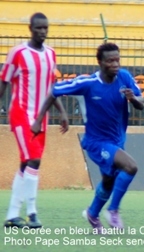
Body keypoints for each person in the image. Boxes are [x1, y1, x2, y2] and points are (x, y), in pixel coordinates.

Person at [32, 42, 144, 234]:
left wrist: (133, 98)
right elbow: (53, 90)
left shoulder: (124, 77)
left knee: (109, 181)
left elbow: (141, 103)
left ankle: (92, 213)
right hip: (96, 142)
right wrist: (39, 119)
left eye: (117, 60)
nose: (115, 64)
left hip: (117, 140)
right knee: (131, 166)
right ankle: (113, 210)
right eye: (110, 61)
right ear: (100, 63)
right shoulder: (88, 84)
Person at [0, 12, 68, 229]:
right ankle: (32, 213)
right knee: (34, 160)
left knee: (26, 163)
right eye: (39, 28)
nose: (42, 32)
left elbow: (51, 88)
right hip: (21, 114)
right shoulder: (17, 53)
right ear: (30, 28)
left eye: (46, 28)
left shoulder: (51, 54)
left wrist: (62, 112)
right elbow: (3, 82)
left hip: (42, 116)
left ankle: (12, 215)